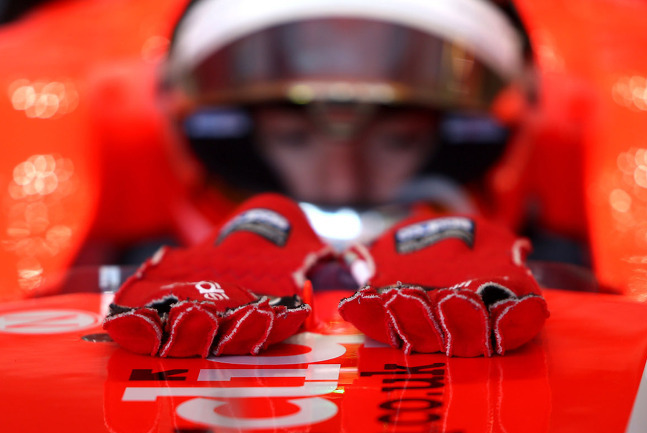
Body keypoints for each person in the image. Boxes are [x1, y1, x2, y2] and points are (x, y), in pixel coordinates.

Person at [160, 0, 534, 248]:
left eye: (398, 140)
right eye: (293, 138)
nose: (343, 184)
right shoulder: (133, 274)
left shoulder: (567, 275)